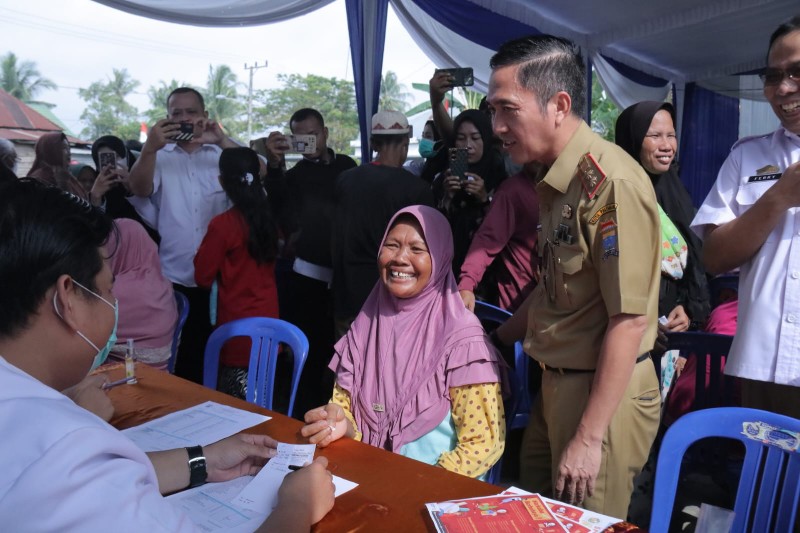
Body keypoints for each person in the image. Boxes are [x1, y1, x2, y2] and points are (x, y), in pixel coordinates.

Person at [0, 179, 334, 531]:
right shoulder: (68, 450)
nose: (114, 302)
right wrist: (298, 505)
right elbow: (89, 481)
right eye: (109, 288)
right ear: (67, 298)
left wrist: (203, 460)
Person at [488, 35, 661, 517]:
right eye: (492, 110)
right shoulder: (556, 179)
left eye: (508, 110)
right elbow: (552, 290)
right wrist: (492, 340)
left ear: (559, 105)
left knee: (584, 523)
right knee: (534, 516)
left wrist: (588, 436)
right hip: (556, 387)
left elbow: (629, 320)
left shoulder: (609, 185)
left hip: (601, 400)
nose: (497, 126)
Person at [303, 206, 505, 479]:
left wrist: (416, 487)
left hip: (432, 488)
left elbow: (483, 443)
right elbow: (344, 407)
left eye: (417, 249)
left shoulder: (463, 338)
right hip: (365, 476)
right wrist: (343, 427)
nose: (399, 258)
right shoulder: (365, 325)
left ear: (440, 258)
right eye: (392, 245)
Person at [691, 15, 800, 419]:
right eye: (773, 76)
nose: (783, 88)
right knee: (763, 460)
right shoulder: (747, 156)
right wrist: (779, 197)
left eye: (797, 72)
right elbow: (714, 257)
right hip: (764, 363)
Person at [128, 87, 239, 384]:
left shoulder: (222, 151)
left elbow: (260, 172)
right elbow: (138, 188)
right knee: (181, 359)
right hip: (174, 277)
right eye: (177, 113)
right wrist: (149, 148)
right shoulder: (159, 155)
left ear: (204, 115)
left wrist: (221, 140)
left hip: (221, 278)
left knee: (222, 358)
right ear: (167, 118)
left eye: (191, 112)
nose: (185, 118)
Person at [261, 108, 357, 416]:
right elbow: (279, 209)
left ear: (325, 133)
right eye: (300, 137)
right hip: (306, 278)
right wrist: (274, 165)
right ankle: (303, 416)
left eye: (313, 134)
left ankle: (340, 414)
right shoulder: (292, 176)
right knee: (308, 355)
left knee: (344, 355)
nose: (308, 142)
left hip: (345, 277)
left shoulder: (347, 166)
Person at [332, 111, 434, 335]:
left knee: (347, 357)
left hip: (346, 297)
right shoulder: (416, 190)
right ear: (406, 142)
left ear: (373, 143)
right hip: (390, 300)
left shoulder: (345, 179)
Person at [615, 102, 710, 340]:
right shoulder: (617, 193)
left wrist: (687, 310)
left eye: (671, 135)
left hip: (675, 326)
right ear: (633, 139)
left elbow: (696, 260)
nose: (667, 145)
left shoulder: (676, 191)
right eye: (655, 136)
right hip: (630, 327)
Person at [194, 147, 280, 399]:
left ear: (222, 181)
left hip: (237, 327)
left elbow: (202, 277)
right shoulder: (270, 217)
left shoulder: (222, 225)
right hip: (269, 322)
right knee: (262, 401)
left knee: (237, 406)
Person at [425, 110, 508, 275]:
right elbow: (430, 229)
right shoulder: (442, 180)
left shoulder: (498, 177)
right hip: (445, 268)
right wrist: (448, 197)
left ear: (485, 139)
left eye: (475, 138)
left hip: (486, 273)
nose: (468, 145)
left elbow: (503, 230)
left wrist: (484, 199)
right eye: (461, 138)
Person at [458, 161, 542, 313]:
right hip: (518, 307)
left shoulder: (572, 189)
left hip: (560, 308)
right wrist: (467, 283)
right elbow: (487, 240)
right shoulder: (512, 192)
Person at [106, 218, 178, 370]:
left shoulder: (116, 290)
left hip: (124, 375)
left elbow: (87, 331)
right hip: (163, 373)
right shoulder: (163, 281)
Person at [92, 135, 160, 244]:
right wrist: (96, 199)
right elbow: (95, 231)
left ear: (127, 157)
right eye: (105, 159)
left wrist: (134, 190)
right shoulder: (93, 187)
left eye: (117, 157)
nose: (112, 164)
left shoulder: (147, 181)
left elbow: (158, 224)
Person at [26, 131, 87, 199]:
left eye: (68, 148)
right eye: (64, 148)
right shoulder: (40, 180)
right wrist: (62, 184)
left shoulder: (65, 175)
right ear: (50, 151)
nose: (69, 153)